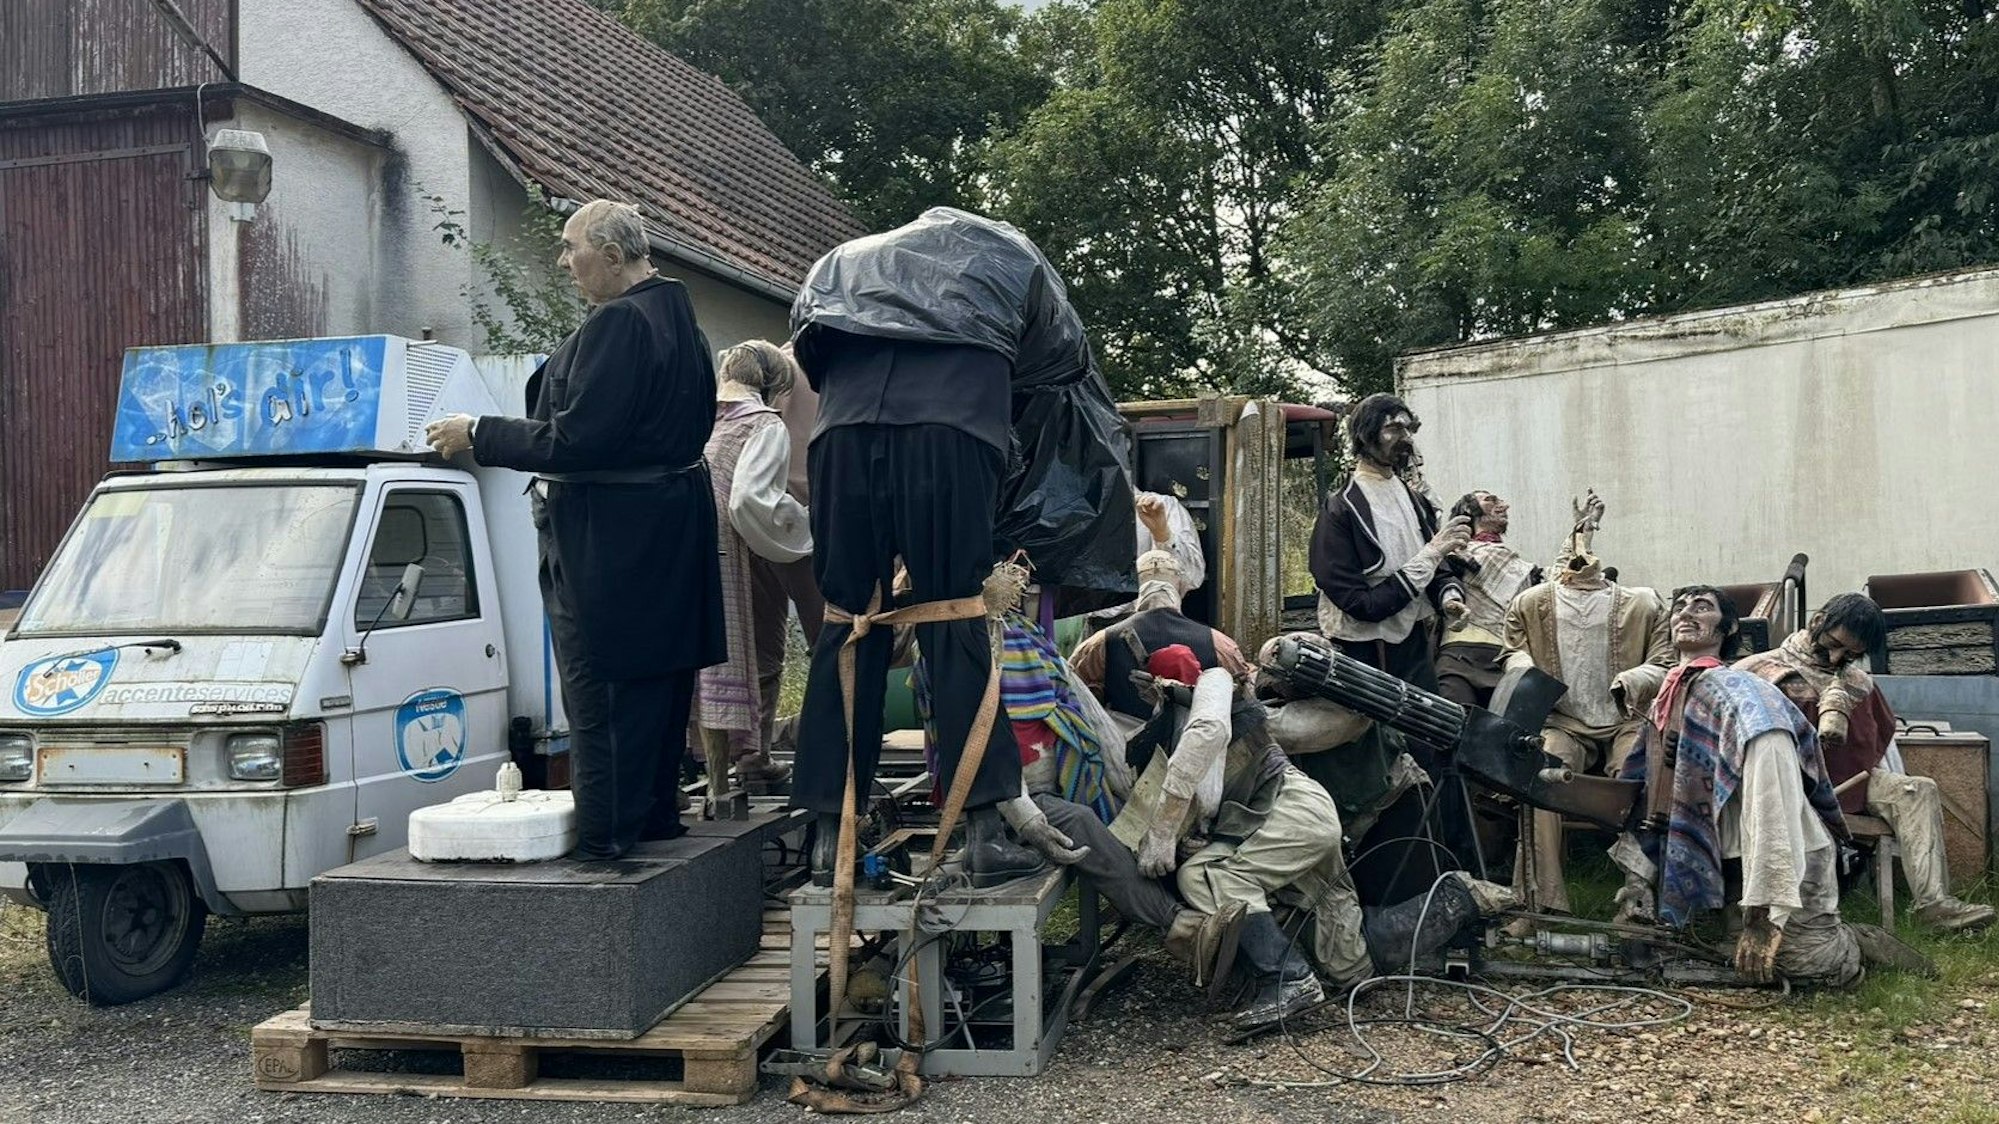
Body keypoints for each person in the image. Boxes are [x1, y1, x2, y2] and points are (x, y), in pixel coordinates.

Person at [791, 209, 1114, 890]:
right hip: (950, 427)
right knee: (954, 612)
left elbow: (809, 352)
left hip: (842, 435)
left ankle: (827, 835)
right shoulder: (1011, 258)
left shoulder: (841, 261)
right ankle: (987, 827)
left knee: (848, 621)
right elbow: (1059, 365)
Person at [424, 199, 722, 859]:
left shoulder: (621, 323)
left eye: (571, 247)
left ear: (613, 257)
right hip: (666, 531)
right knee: (654, 688)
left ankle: (606, 843)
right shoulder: (683, 325)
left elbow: (578, 439)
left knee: (604, 692)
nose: (564, 261)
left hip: (612, 545)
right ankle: (649, 823)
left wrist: (479, 431)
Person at [1613, 586, 1931, 986]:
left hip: (1789, 854)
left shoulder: (1736, 686)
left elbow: (1774, 752)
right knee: (1734, 959)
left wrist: (1768, 914)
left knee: (1813, 969)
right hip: (1738, 861)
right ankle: (1740, 921)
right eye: (1680, 606)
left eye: (1703, 607)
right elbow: (1649, 797)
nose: (1687, 613)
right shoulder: (1675, 691)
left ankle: (1858, 942)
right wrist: (1635, 888)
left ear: (1728, 628)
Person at [1736, 594, 1995, 932]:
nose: (1836, 657)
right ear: (1819, 620)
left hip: (1849, 786)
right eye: (1833, 643)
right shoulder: (1759, 669)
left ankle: (1933, 906)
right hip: (1784, 787)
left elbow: (1879, 740)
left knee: (1917, 789)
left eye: (1851, 654)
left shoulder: (1859, 683)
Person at [1496, 507, 1671, 920]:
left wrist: (1631, 680)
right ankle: (1540, 903)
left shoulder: (1642, 603)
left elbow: (1663, 662)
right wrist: (1526, 674)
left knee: (1641, 777)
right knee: (1540, 777)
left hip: (1627, 716)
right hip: (1563, 720)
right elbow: (1512, 652)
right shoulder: (1532, 602)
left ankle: (1639, 897)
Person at [693, 341, 811, 790]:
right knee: (741, 650)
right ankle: (743, 766)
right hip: (739, 542)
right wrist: (801, 526)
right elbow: (750, 499)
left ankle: (714, 767)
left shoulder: (699, 415)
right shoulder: (763, 422)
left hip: (687, 538)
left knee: (701, 654)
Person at [1308, 394, 1470, 701]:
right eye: (1394, 429)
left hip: (1414, 644)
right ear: (1366, 435)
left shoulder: (1414, 498)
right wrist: (1434, 553)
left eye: (1409, 429)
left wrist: (1449, 596)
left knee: (1431, 733)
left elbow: (1436, 562)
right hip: (1364, 649)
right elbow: (1360, 604)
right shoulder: (1341, 509)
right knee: (1379, 737)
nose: (1405, 438)